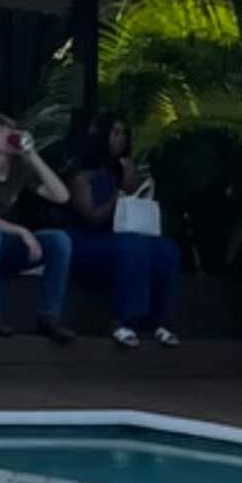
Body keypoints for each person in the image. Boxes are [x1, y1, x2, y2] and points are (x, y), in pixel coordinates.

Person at [65, 112, 181, 350]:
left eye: (124, 134)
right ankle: (124, 320)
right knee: (133, 246)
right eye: (115, 133)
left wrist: (134, 184)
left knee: (166, 250)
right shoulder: (82, 176)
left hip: (123, 239)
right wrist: (118, 196)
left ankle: (160, 321)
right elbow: (91, 219)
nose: (121, 139)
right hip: (87, 242)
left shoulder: (127, 171)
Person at [0, 113, 76, 335]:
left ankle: (49, 317)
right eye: (1, 130)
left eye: (11, 130)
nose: (9, 134)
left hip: (8, 247)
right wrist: (21, 231)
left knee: (59, 240)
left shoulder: (19, 168)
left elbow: (62, 196)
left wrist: (32, 155)